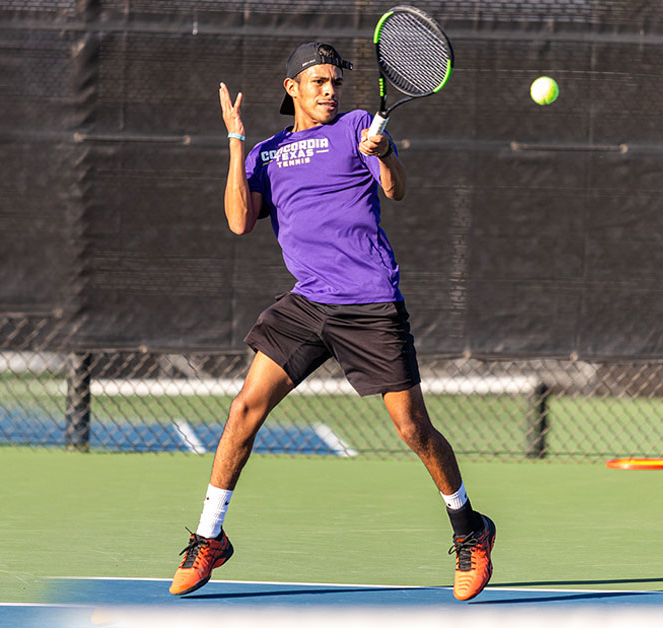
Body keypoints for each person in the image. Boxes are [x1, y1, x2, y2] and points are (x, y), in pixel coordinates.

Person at [168, 42, 495, 602]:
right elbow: (239, 221)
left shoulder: (358, 128)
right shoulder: (266, 154)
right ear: (291, 87)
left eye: (335, 83)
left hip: (369, 303)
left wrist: (385, 151)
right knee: (244, 408)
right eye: (318, 81)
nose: (329, 91)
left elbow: (395, 188)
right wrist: (235, 139)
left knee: (413, 427)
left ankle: (470, 530)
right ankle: (208, 537)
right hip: (307, 302)